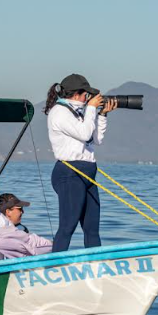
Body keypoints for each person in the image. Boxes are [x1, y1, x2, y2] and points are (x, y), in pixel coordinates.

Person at [44, 73, 117, 252]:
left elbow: (95, 139)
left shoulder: (78, 112)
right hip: (70, 173)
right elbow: (84, 133)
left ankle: (95, 263)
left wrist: (102, 115)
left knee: (92, 229)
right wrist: (91, 108)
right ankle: (56, 264)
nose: (88, 98)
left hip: (87, 173)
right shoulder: (59, 112)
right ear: (76, 94)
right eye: (87, 95)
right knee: (67, 226)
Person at [0, 192, 53, 259]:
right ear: (8, 212)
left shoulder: (16, 229)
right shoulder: (8, 232)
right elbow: (31, 240)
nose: (22, 212)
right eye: (20, 209)